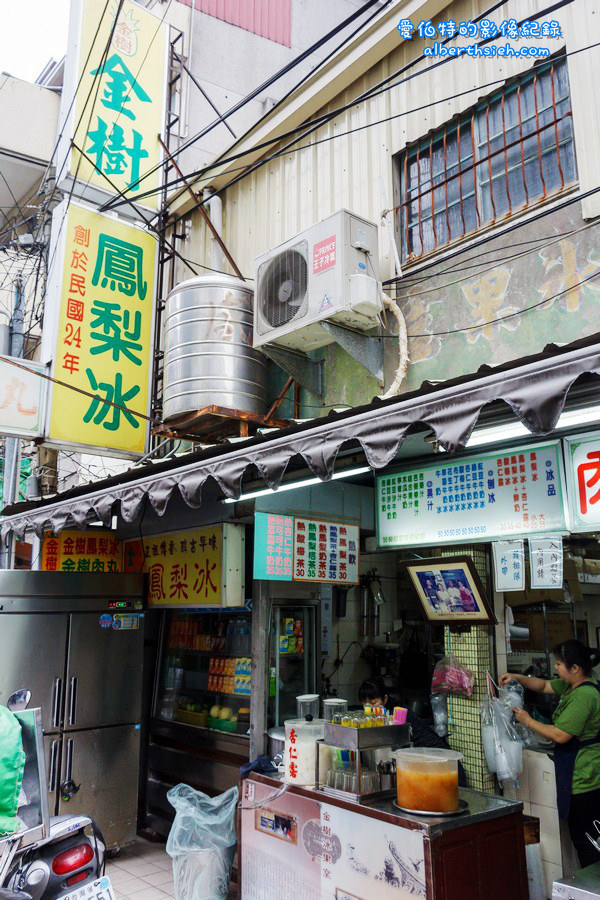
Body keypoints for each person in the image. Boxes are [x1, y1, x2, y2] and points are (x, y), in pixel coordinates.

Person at [500, 640, 600, 868]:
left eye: (559, 664)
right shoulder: (574, 685)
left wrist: (528, 720)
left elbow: (560, 734)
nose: (555, 667)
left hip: (585, 778)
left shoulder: (584, 696)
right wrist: (517, 677)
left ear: (575, 668)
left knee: (588, 842)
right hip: (584, 774)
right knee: (586, 838)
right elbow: (543, 686)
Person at [358, 677, 467, 786]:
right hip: (428, 764)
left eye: (373, 702)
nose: (369, 708)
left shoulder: (397, 717)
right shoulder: (382, 718)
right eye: (365, 704)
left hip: (442, 763)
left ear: (385, 699)